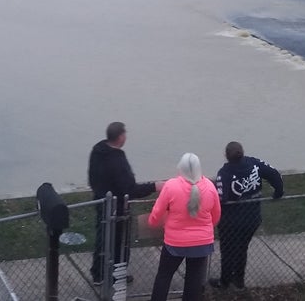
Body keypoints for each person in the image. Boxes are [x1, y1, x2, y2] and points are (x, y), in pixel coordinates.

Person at [88, 122, 159, 286]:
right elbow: (130, 189)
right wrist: (154, 186)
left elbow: (92, 176)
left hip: (101, 202)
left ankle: (98, 274)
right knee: (120, 243)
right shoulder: (117, 160)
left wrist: (99, 191)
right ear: (120, 137)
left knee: (102, 238)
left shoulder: (97, 151)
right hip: (118, 209)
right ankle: (117, 275)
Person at [210, 141, 284, 290]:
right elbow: (274, 174)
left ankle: (224, 282)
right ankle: (239, 280)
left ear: (226, 156)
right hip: (252, 219)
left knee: (228, 250)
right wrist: (278, 192)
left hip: (231, 222)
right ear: (242, 152)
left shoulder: (224, 173)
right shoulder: (254, 164)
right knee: (242, 247)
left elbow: (221, 199)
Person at [148, 153, 221, 301]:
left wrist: (152, 222)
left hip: (175, 243)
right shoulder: (210, 187)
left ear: (180, 168)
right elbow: (216, 214)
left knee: (164, 275)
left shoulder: (171, 186)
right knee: (194, 280)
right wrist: (205, 229)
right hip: (202, 243)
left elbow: (157, 212)